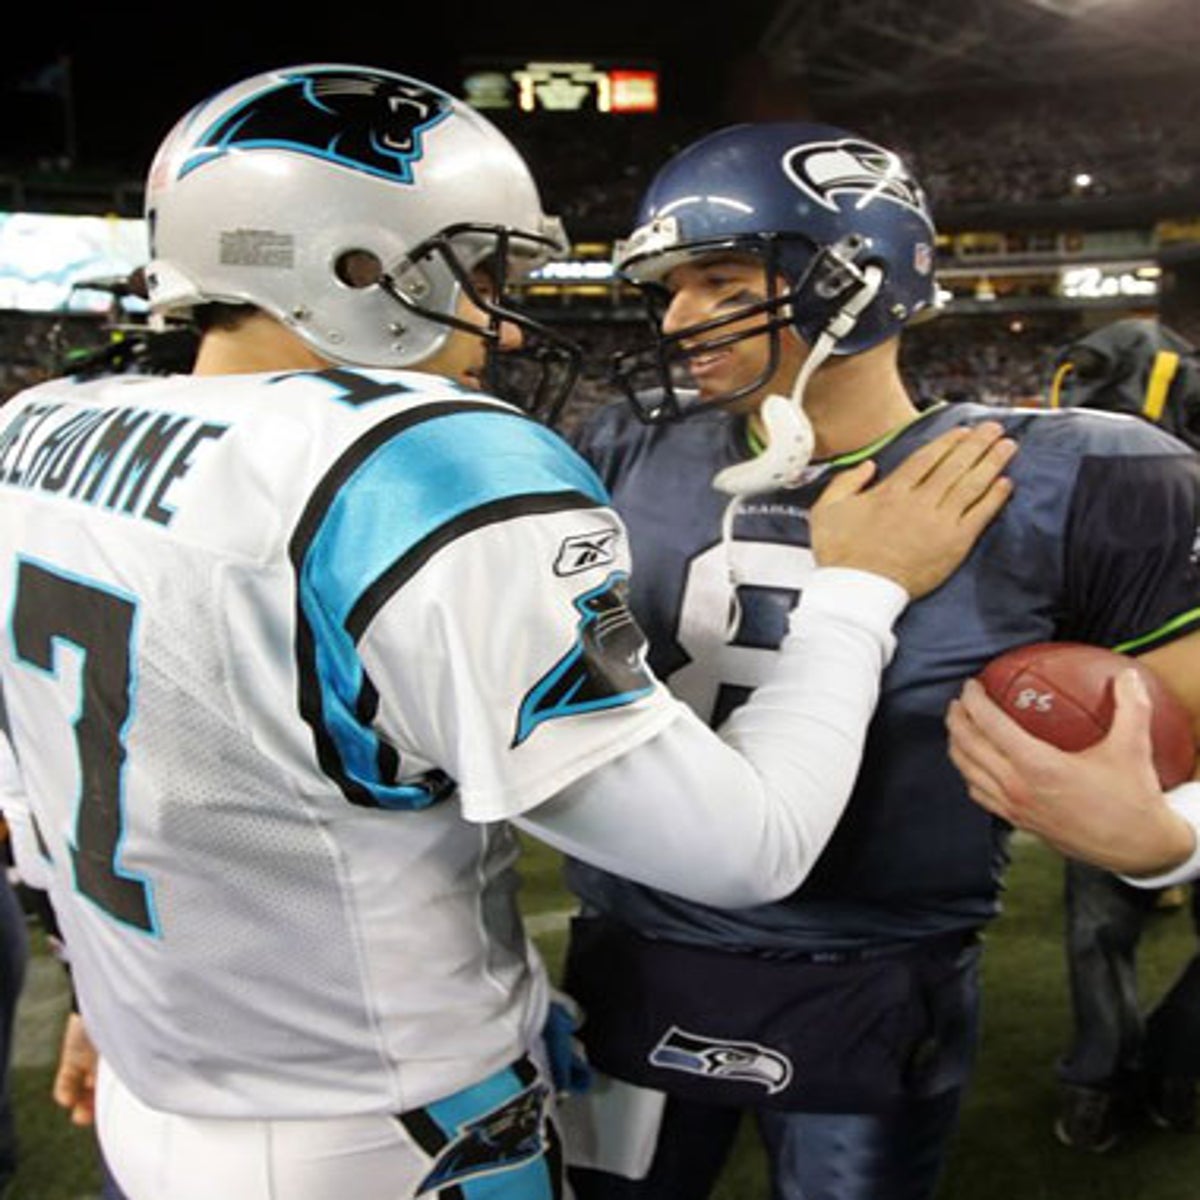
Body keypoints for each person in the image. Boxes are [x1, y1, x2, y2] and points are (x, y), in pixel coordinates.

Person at [0, 65, 1013, 1200]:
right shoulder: (420, 462)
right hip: (385, 1127)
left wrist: (100, 986)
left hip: (156, 1095)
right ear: (356, 267)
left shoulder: (36, 432)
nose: (500, 323)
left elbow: (30, 792)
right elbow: (747, 849)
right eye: (476, 272)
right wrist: (859, 591)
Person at [555, 121, 1200, 1200]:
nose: (675, 319)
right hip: (629, 945)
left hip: (873, 973)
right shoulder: (624, 440)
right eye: (669, 288)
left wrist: (1162, 839)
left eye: (718, 280)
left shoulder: (1070, 474)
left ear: (850, 282)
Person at [1007, 318, 1200, 1151]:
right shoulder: (1128, 475)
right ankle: (1158, 1068)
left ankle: (1120, 1072)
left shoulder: (1092, 465)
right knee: (1099, 923)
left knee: (1099, 930)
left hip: (1119, 723)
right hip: (1123, 728)